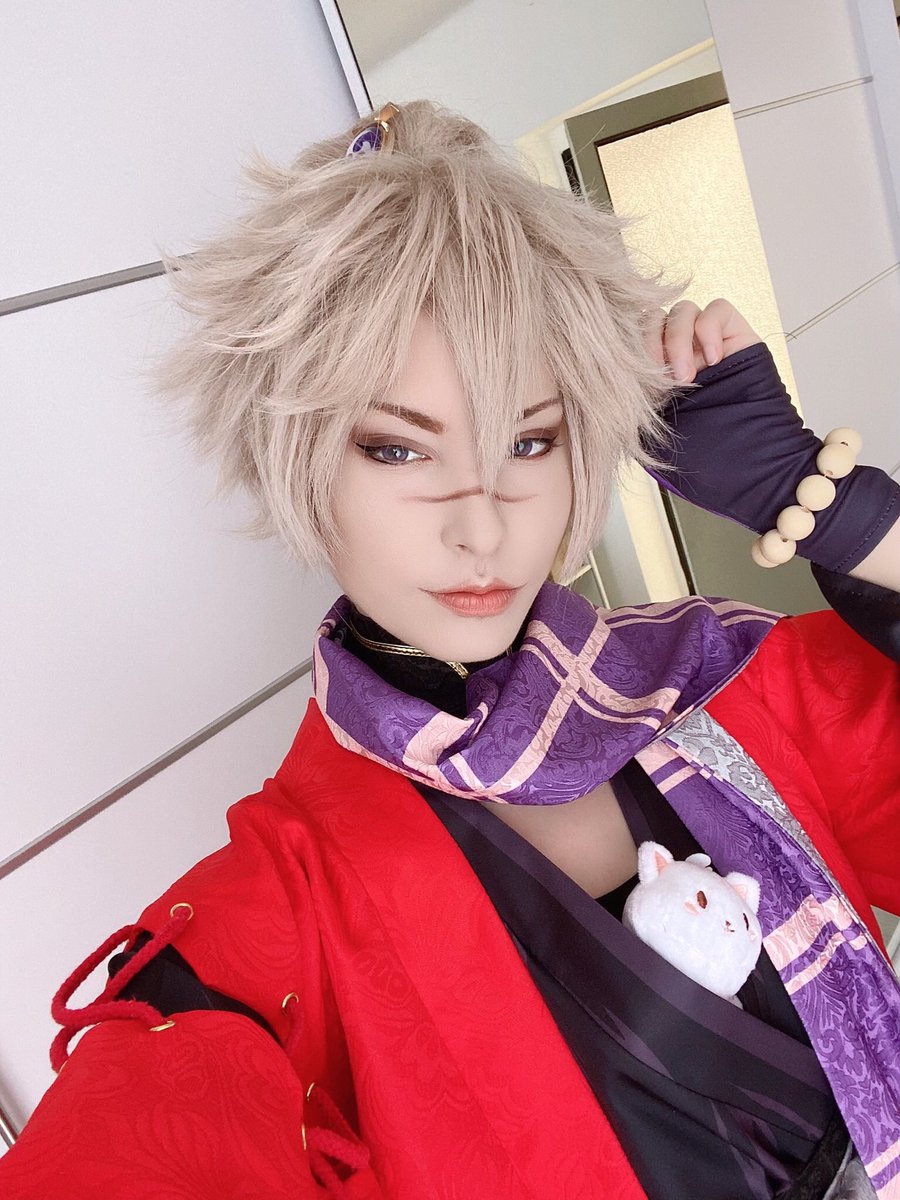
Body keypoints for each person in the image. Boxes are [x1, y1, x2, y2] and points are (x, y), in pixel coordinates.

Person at [1, 100, 898, 1200]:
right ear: (296, 460)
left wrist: (835, 510)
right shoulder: (284, 907)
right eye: (397, 448)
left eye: (531, 438)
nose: (483, 524)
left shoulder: (729, 687)